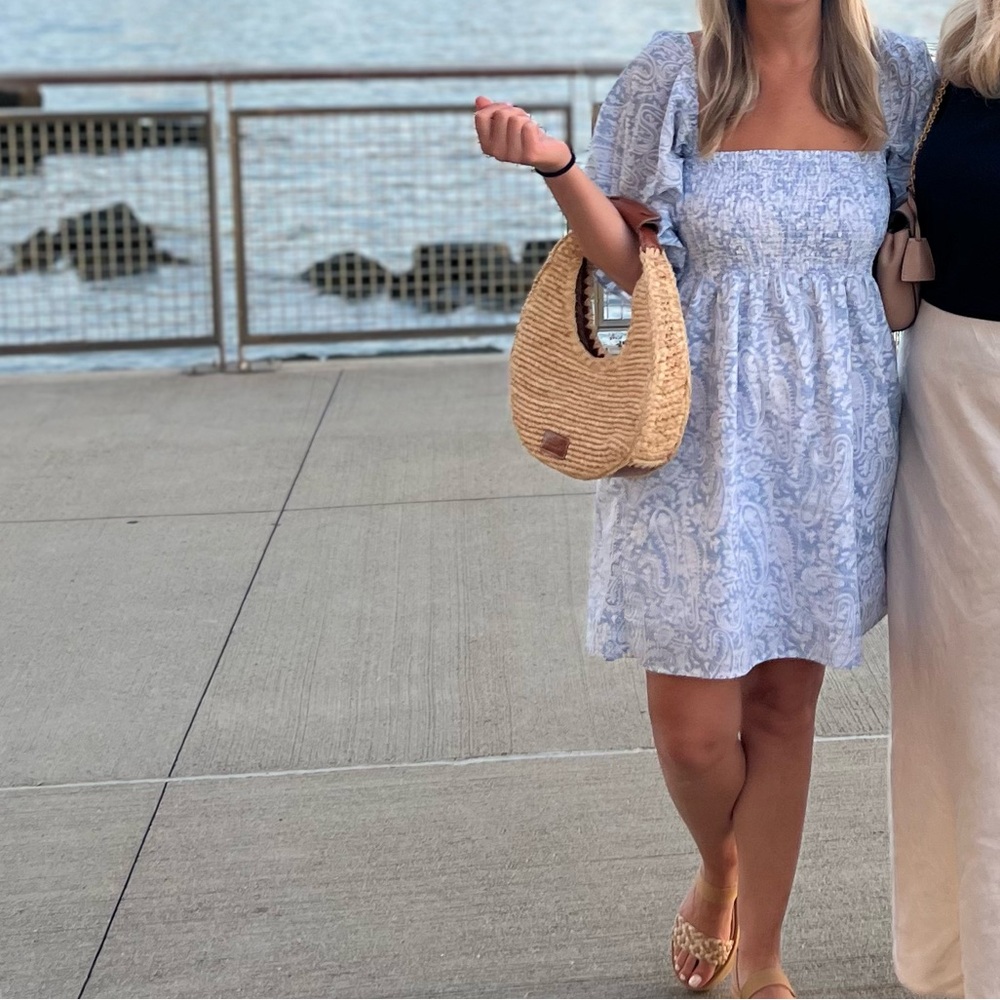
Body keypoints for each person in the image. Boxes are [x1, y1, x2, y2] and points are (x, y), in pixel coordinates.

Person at [474, 1, 934, 995]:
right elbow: (629, 257)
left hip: (830, 430)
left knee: (778, 710)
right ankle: (719, 866)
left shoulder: (895, 75)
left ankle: (761, 955)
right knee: (693, 733)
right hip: (693, 425)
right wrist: (559, 167)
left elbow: (939, 212)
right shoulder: (671, 74)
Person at [887, 0, 1000, 995]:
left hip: (961, 379)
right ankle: (956, 959)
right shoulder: (943, 76)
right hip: (953, 393)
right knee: (950, 688)